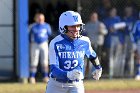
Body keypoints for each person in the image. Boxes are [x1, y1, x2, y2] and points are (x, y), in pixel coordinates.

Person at [46, 11, 102, 93]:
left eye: (78, 26)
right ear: (63, 27)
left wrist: (98, 68)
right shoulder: (55, 43)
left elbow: (93, 56)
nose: (76, 29)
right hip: (56, 84)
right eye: (72, 26)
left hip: (76, 84)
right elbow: (53, 70)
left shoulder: (85, 41)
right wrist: (68, 74)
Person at [29, 13, 52, 84]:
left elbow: (50, 35)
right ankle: (32, 77)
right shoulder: (32, 26)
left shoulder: (47, 25)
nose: (40, 19)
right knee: (34, 61)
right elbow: (28, 36)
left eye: (41, 18)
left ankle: (45, 77)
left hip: (44, 44)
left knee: (45, 61)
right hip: (34, 44)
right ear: (35, 19)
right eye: (38, 18)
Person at [85, 12, 107, 78]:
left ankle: (96, 74)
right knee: (89, 60)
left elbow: (106, 32)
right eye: (92, 16)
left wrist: (101, 31)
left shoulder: (100, 24)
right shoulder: (87, 25)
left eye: (95, 16)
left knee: (97, 59)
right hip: (90, 45)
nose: (94, 18)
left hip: (98, 44)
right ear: (90, 17)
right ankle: (90, 75)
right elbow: (83, 32)